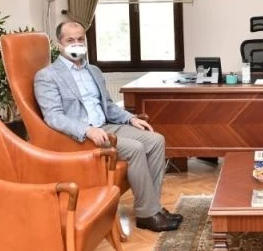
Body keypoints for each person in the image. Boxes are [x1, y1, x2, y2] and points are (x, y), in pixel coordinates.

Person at [34, 21, 182, 233]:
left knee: (156, 140)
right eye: (70, 40)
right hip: (82, 136)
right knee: (135, 148)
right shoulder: (47, 76)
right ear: (59, 44)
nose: (77, 44)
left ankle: (152, 207)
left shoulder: (93, 71)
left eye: (80, 39)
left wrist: (130, 119)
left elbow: (109, 106)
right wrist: (87, 130)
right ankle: (147, 215)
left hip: (106, 126)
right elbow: (54, 117)